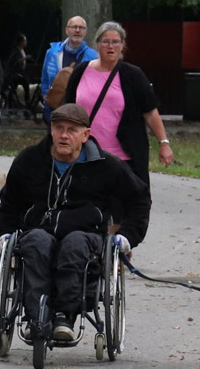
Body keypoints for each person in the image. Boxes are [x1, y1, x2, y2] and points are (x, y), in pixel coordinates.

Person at [0, 102, 147, 346]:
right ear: (51, 130)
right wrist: (3, 233)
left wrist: (127, 236)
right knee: (36, 242)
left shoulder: (106, 165)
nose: (64, 135)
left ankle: (64, 316)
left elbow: (139, 199)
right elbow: (9, 203)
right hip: (38, 230)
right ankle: (35, 318)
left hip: (86, 235)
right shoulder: (30, 160)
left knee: (74, 244)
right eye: (59, 128)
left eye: (72, 130)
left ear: (85, 135)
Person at [50, 21, 173, 244]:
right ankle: (88, 248)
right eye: (105, 41)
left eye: (116, 42)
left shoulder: (133, 75)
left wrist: (163, 142)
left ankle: (115, 253)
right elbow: (67, 110)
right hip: (85, 155)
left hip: (122, 157)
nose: (110, 46)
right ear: (97, 44)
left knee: (120, 211)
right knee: (86, 206)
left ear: (123, 45)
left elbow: (150, 112)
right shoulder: (81, 72)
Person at [40, 16, 94, 107]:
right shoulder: (52, 53)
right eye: (74, 27)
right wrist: (47, 100)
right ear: (67, 30)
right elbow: (45, 79)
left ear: (85, 32)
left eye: (81, 28)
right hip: (54, 108)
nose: (77, 30)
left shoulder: (93, 56)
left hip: (81, 108)